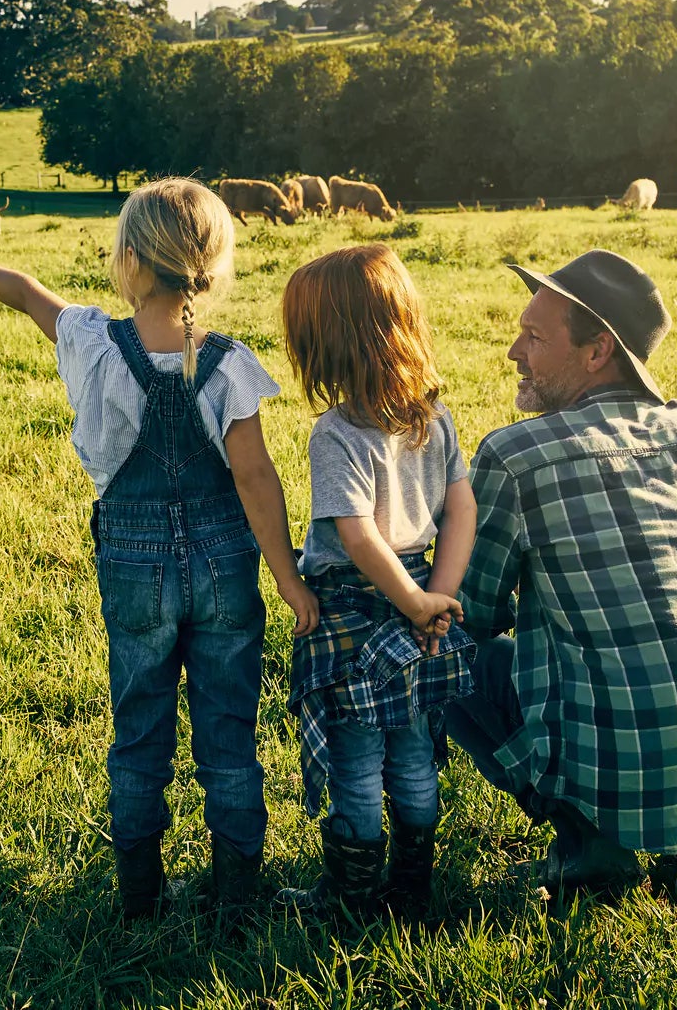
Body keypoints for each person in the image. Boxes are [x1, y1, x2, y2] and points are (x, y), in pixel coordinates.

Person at [0, 177, 317, 919]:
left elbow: (28, 295)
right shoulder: (228, 362)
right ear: (212, 262)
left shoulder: (90, 340)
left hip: (134, 564)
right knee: (229, 734)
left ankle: (140, 896)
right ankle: (238, 893)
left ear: (130, 258)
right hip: (224, 564)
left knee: (139, 728)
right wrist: (289, 579)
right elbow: (254, 476)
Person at [447, 248, 677, 901]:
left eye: (533, 337)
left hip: (622, 776)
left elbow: (472, 611)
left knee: (433, 644)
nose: (513, 352)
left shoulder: (518, 453)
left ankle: (591, 842)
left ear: (597, 350)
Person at [272, 244, 473, 921]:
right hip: (419, 596)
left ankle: (352, 896)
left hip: (356, 608)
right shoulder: (433, 416)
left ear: (325, 345)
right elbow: (460, 509)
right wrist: (432, 597)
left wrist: (413, 601)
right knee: (413, 749)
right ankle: (412, 890)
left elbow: (356, 538)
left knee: (356, 761)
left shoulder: (335, 434)